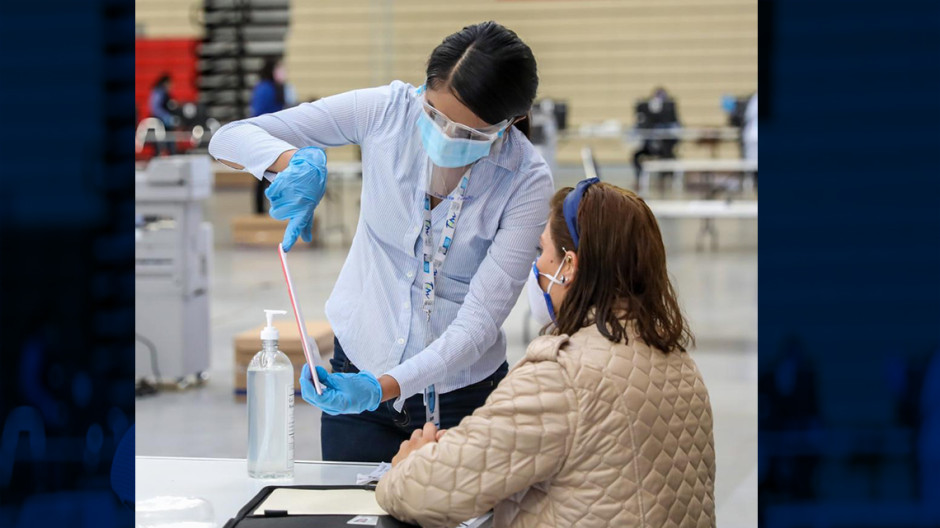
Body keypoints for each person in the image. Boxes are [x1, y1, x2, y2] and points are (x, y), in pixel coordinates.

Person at [207, 21, 552, 462]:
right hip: (358, 373)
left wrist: (383, 387)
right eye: (434, 115)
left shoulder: (525, 181)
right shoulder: (387, 111)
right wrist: (292, 161)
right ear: (423, 90)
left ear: (510, 123)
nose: (445, 138)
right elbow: (228, 138)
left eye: (468, 134)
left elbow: (480, 321)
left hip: (463, 395)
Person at [375, 179, 716, 527]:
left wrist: (410, 464)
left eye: (542, 252)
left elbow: (428, 492)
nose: (536, 266)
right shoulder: (678, 362)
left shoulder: (561, 375)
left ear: (569, 265)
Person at [250, 58, 289, 214]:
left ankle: (278, 208)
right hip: (265, 136)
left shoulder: (278, 88)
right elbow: (259, 114)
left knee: (276, 175)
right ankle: (260, 211)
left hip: (277, 136)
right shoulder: (264, 88)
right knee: (262, 176)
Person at [632, 86, 681, 188]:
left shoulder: (669, 111)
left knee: (666, 155)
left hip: (665, 147)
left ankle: (664, 180)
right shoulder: (645, 112)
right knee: (636, 156)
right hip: (649, 146)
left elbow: (676, 130)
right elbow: (638, 128)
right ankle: (638, 178)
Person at [149, 74, 177, 156]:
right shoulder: (158, 92)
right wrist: (167, 117)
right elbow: (155, 108)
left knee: (170, 139)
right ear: (166, 83)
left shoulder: (164, 93)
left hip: (165, 123)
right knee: (160, 142)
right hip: (160, 122)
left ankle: (172, 154)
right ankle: (159, 154)